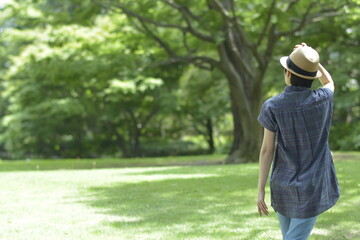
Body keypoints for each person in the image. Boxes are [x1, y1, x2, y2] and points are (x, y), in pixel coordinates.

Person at [256, 42, 340, 240]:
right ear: (312, 78)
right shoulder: (322, 99)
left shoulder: (272, 106)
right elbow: (330, 83)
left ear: (287, 73)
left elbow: (267, 150)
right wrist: (314, 63)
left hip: (282, 184)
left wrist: (260, 190)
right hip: (312, 185)